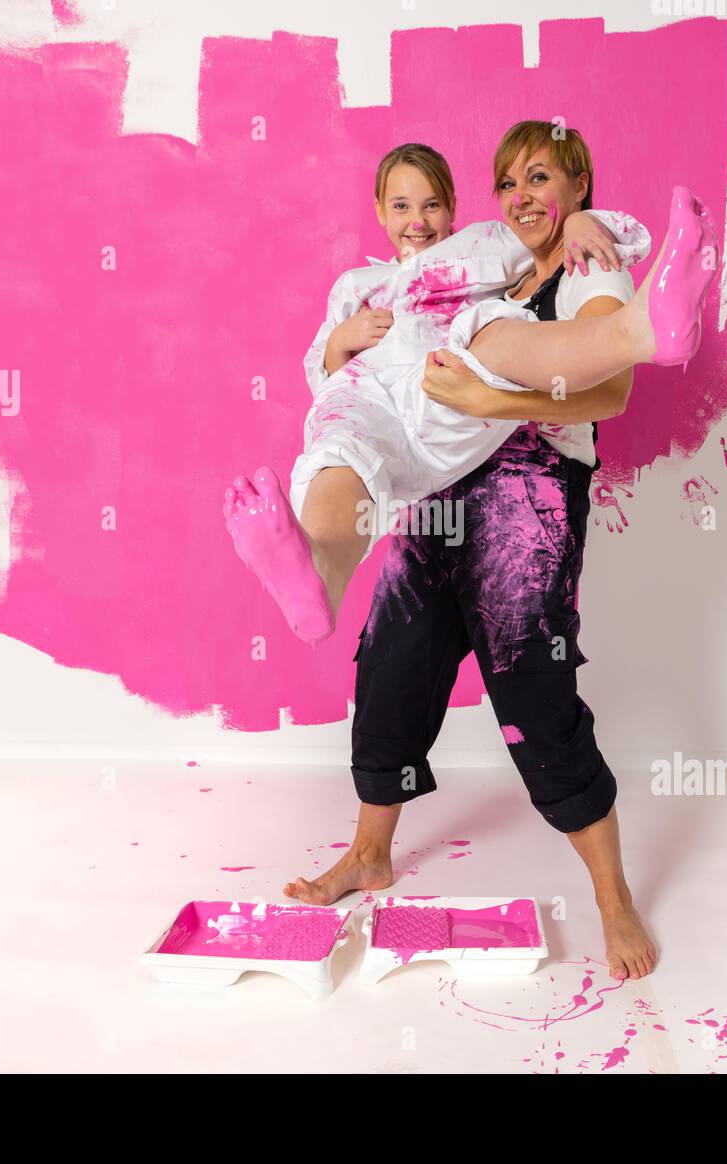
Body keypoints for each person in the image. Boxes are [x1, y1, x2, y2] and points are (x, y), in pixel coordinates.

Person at [283, 121, 692, 982]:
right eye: (508, 183)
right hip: (441, 488)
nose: (522, 198)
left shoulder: (587, 265)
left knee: (531, 691)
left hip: (531, 493)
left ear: (578, 182)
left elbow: (610, 391)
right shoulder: (499, 268)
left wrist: (477, 391)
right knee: (390, 665)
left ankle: (613, 897)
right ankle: (369, 853)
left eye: (540, 179)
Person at [223, 145, 716, 646]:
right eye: (400, 206)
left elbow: (540, 229)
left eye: (431, 205)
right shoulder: (354, 287)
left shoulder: (482, 246)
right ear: (378, 209)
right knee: (336, 450)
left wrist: (580, 222)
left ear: (453, 206)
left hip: (443, 386)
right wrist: (336, 344)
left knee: (492, 328)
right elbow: (321, 377)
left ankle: (641, 329)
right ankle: (321, 576)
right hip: (366, 398)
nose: (417, 221)